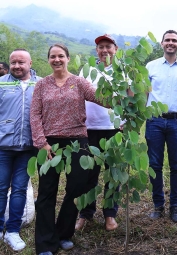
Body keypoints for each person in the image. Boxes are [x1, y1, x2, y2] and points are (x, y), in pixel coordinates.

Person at [30, 43, 107, 255]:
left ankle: (63, 233)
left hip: (77, 141)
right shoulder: (42, 85)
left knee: (76, 187)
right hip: (50, 144)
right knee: (47, 192)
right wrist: (42, 143)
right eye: (53, 56)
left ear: (68, 58)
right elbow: (35, 115)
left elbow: (101, 98)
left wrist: (127, 95)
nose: (57, 60)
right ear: (48, 60)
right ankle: (45, 243)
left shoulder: (79, 82)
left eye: (61, 56)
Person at [75, 34, 120, 232]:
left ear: (115, 49)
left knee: (112, 174)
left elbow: (132, 99)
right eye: (101, 47)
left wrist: (127, 124)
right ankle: (85, 214)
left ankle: (110, 215)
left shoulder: (124, 72)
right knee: (88, 175)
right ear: (96, 51)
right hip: (90, 130)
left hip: (114, 130)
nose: (105, 50)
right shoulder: (87, 72)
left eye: (108, 46)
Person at [145, 30, 177, 223]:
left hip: (176, 121)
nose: (170, 43)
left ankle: (175, 206)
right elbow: (144, 95)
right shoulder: (151, 66)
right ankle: (158, 205)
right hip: (154, 120)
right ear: (161, 44)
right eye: (167, 40)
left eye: (174, 40)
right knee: (154, 164)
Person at [0, 49, 40, 251]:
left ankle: (13, 231)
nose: (17, 66)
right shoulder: (1, 83)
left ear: (30, 63)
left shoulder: (40, 84)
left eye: (21, 62)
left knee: (19, 189)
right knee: (0, 188)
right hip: (3, 147)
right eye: (13, 62)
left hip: (28, 148)